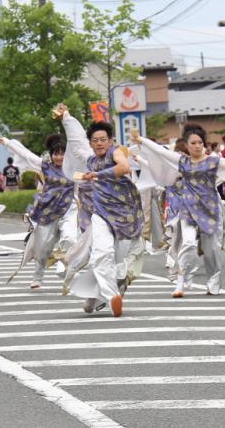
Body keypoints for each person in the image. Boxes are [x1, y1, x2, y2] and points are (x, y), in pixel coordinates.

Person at [132, 124, 225, 297]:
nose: (197, 145)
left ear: (204, 144)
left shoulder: (214, 161)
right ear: (187, 145)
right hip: (188, 210)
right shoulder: (182, 161)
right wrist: (141, 141)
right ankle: (182, 281)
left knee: (211, 250)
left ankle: (213, 279)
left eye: (200, 142)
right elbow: (161, 153)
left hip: (210, 210)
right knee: (188, 243)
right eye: (193, 143)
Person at [55, 105, 143, 317]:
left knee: (117, 261)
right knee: (101, 255)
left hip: (125, 217)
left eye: (103, 139)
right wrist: (66, 118)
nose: (99, 143)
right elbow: (76, 150)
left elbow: (124, 168)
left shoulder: (117, 152)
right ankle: (113, 297)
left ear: (110, 140)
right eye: (95, 140)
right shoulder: (90, 161)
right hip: (101, 215)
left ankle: (96, 297)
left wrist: (97, 176)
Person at [0, 133, 76, 289]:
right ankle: (38, 276)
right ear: (51, 155)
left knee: (70, 238)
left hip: (69, 209)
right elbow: (25, 152)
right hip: (47, 210)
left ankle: (66, 269)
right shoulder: (44, 165)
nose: (59, 157)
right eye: (56, 154)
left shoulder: (74, 167)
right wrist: (6, 142)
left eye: (62, 153)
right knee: (43, 246)